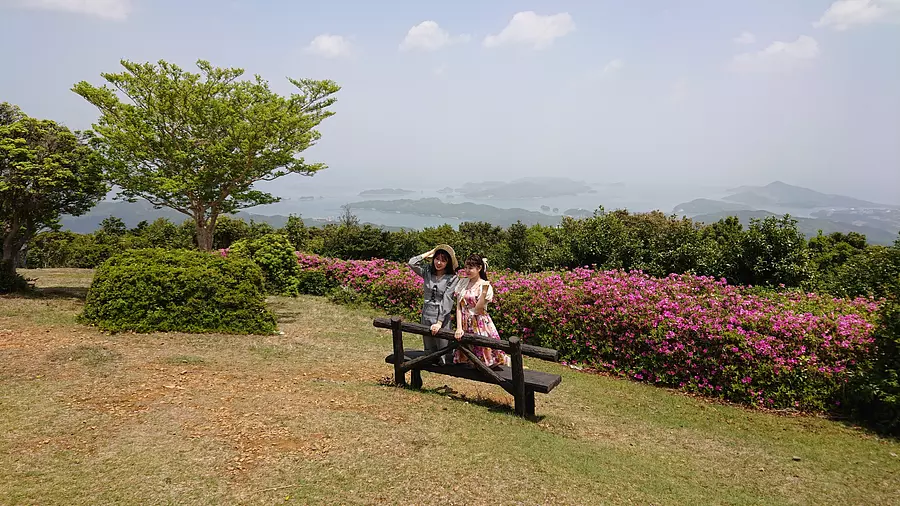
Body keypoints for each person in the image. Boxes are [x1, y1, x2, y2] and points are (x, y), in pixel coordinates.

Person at [453, 254, 509, 369]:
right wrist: (459, 327)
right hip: (464, 321)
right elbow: (459, 306)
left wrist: (483, 292)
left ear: (479, 268)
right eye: (466, 267)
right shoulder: (462, 283)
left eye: (471, 268)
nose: (467, 271)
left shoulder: (485, 285)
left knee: (484, 352)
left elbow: (479, 309)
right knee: (468, 354)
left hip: (480, 323)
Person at [408, 245, 459, 365]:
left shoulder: (452, 278)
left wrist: (440, 322)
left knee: (443, 349)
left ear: (448, 263)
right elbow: (412, 263)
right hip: (426, 313)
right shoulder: (427, 272)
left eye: (443, 260)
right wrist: (430, 252)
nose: (439, 262)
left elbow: (447, 300)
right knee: (429, 350)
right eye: (437, 258)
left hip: (441, 316)